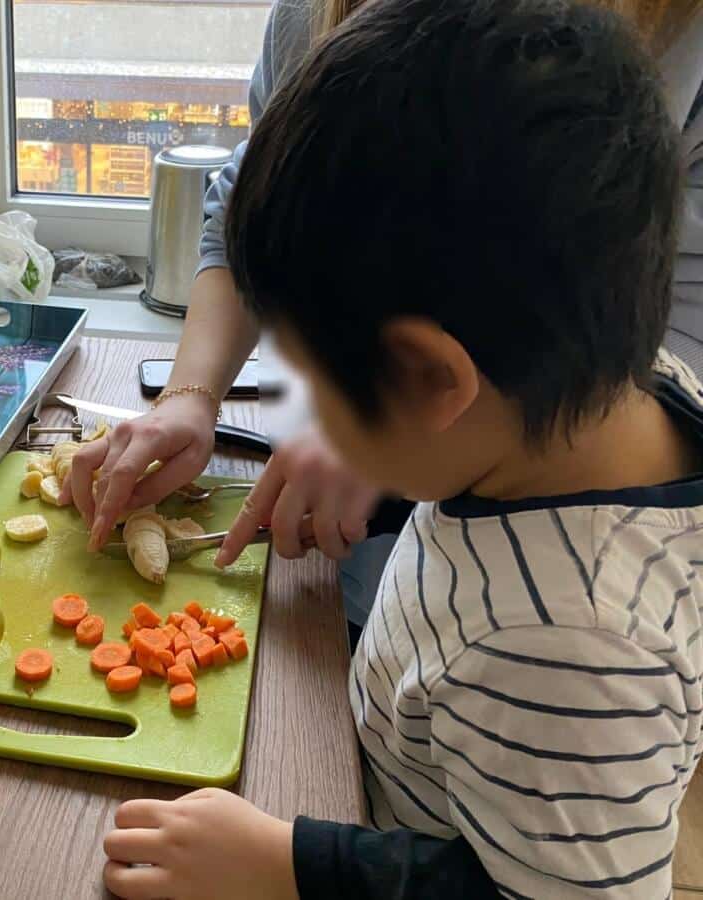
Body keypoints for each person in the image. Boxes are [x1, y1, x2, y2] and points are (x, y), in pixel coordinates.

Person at [100, 0, 703, 896]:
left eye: (309, 385)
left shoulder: (565, 650)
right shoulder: (608, 389)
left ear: (430, 382)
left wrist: (292, 866)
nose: (306, 428)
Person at [62, 0, 703, 631]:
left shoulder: (552, 649)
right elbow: (252, 205)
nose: (299, 408)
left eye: (312, 381)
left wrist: (376, 438)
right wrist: (191, 395)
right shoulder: (481, 473)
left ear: (428, 380)